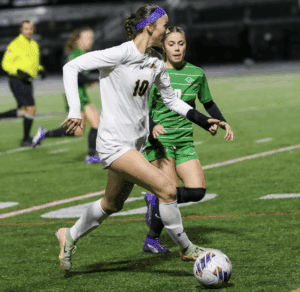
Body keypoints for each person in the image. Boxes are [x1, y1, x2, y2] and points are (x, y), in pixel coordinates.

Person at [55, 4, 234, 272]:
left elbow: (172, 100)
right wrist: (74, 111)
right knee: (167, 189)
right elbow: (71, 67)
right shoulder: (119, 54)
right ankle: (186, 248)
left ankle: (68, 235)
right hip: (114, 144)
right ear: (150, 28)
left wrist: (202, 119)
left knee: (111, 204)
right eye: (165, 26)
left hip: (135, 145)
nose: (168, 31)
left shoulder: (154, 60)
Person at [142, 26, 232, 254]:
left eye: (180, 43)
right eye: (171, 44)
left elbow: (208, 103)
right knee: (169, 191)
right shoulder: (153, 72)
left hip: (184, 140)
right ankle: (152, 238)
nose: (177, 48)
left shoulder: (196, 73)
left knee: (197, 191)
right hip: (160, 142)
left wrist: (220, 121)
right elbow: (141, 107)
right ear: (163, 46)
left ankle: (155, 201)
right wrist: (152, 126)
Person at [32, 27, 100, 163]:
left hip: (81, 94)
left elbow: (80, 78)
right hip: (75, 96)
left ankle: (45, 133)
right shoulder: (75, 55)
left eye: (91, 38)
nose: (90, 41)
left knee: (79, 131)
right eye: (87, 38)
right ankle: (91, 155)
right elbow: (75, 76)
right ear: (78, 40)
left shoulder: (82, 54)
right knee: (95, 124)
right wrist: (95, 79)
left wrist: (88, 82)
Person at [0, 20, 46, 146]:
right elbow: (5, 64)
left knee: (23, 111)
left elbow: (34, 64)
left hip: (28, 82)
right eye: (26, 29)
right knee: (31, 108)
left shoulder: (34, 44)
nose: (29, 31)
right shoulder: (15, 44)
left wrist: (40, 69)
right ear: (21, 30)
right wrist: (19, 72)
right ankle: (26, 139)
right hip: (17, 80)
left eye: (30, 29)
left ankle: (25, 138)